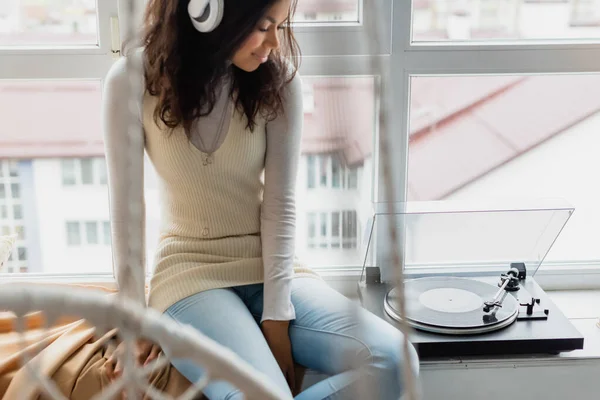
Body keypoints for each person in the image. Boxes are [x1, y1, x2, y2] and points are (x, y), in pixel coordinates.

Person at [102, 0, 419, 399]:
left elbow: (280, 206)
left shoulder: (280, 81)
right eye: (263, 25)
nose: (274, 42)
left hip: (271, 267)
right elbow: (127, 214)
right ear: (210, 13)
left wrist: (277, 316)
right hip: (188, 277)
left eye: (280, 26)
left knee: (395, 360)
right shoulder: (130, 81)